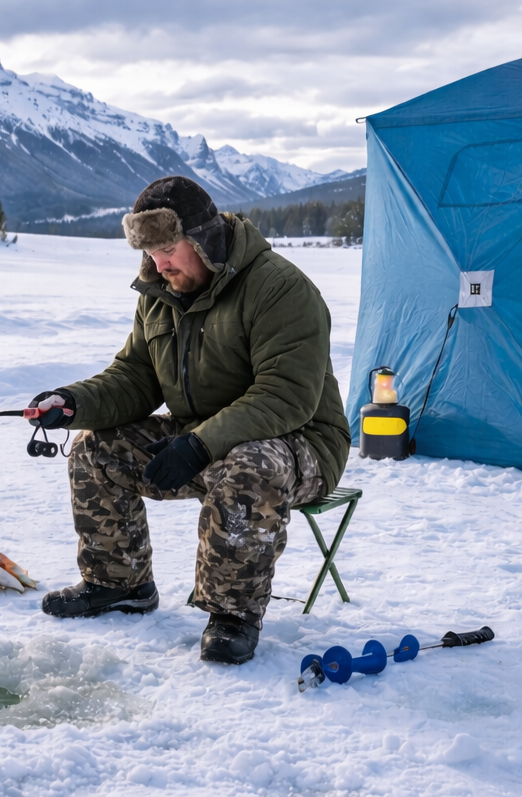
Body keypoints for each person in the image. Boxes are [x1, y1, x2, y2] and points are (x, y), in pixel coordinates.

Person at [27, 176, 350, 665]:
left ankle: (232, 614)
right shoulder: (159, 292)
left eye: (169, 249)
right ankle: (118, 583)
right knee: (96, 447)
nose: (159, 264)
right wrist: (73, 403)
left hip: (298, 442)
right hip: (202, 436)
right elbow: (136, 377)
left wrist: (199, 445)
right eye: (150, 252)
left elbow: (286, 397)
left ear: (204, 239)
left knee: (250, 465)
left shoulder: (280, 288)